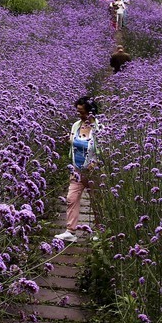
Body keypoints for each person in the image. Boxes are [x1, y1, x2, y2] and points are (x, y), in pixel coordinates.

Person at [55, 96, 99, 243]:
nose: (80, 115)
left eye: (82, 112)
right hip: (77, 169)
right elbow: (74, 142)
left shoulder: (99, 128)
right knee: (71, 198)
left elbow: (104, 150)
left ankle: (99, 230)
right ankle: (70, 231)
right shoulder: (76, 126)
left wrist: (96, 163)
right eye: (78, 112)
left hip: (94, 172)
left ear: (91, 113)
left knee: (96, 202)